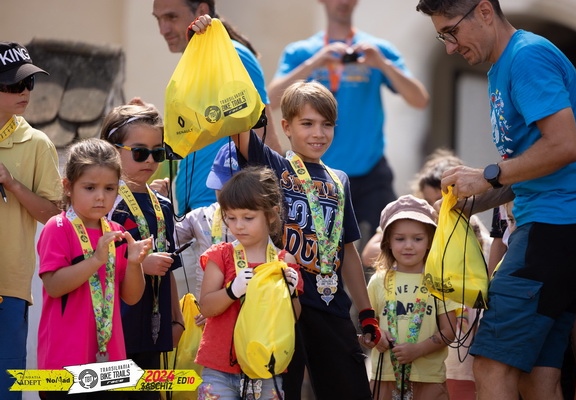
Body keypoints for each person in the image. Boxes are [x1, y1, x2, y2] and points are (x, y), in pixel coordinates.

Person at [178, 27, 384, 395]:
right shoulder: (274, 167)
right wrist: (213, 42)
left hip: (332, 304)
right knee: (279, 391)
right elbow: (239, 116)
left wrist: (366, 311)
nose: (318, 133)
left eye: (326, 125)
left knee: (351, 389)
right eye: (307, 124)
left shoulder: (340, 181)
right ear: (286, 127)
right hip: (281, 300)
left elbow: (348, 250)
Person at [416, 1, 576, 398]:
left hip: (555, 228)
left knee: (491, 366)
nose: (450, 46)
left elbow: (564, 146)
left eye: (452, 31)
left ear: (484, 11)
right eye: (441, 36)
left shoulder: (526, 57)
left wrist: (486, 175)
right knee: (538, 377)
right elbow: (535, 165)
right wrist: (471, 200)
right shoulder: (504, 66)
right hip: (562, 229)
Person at [267, 0, 430, 240]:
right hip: (314, 173)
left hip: (370, 173)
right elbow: (270, 100)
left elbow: (420, 100)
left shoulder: (376, 50)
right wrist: (315, 62)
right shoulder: (302, 52)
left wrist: (382, 64)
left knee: (385, 246)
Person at [37, 138, 152, 400]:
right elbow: (54, 286)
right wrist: (96, 260)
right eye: (89, 187)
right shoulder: (58, 227)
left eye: (109, 188)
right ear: (68, 187)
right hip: (64, 360)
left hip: (109, 361)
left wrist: (135, 264)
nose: (100, 196)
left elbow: (131, 297)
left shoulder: (116, 232)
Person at [152, 0, 282, 214]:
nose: (163, 29)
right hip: (197, 213)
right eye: (158, 19)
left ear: (202, 11)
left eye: (171, 17)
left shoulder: (231, 55)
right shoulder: (201, 58)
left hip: (226, 212)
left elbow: (266, 141)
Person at [195, 166, 303, 399]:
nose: (238, 226)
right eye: (231, 217)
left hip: (266, 365)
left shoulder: (284, 261)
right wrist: (232, 291)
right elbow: (206, 307)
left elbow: (294, 317)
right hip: (220, 368)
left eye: (248, 218)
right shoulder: (221, 255)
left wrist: (291, 293)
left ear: (272, 214)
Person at [100, 104, 184, 400]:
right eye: (139, 152)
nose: (150, 160)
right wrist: (137, 265)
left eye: (157, 153)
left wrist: (177, 319)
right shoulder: (103, 202)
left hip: (153, 330)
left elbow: (169, 267)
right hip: (112, 332)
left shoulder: (164, 205)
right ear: (113, 150)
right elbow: (91, 260)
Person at [0, 41, 62, 399]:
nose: (25, 91)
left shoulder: (38, 143)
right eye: (14, 84)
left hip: (8, 288)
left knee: (6, 388)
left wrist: (13, 184)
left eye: (30, 82)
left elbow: (54, 215)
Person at [367, 195, 458, 400]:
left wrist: (419, 350)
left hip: (429, 379)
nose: (408, 246)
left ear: (430, 241)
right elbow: (367, 326)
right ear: (388, 242)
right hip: (384, 378)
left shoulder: (440, 281)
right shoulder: (377, 281)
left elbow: (450, 331)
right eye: (400, 239)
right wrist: (374, 336)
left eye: (417, 239)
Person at [174, 140, 239, 297]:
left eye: (233, 185)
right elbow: (167, 237)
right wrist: (157, 202)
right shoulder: (201, 216)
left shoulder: (261, 216)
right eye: (220, 183)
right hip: (207, 306)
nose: (224, 191)